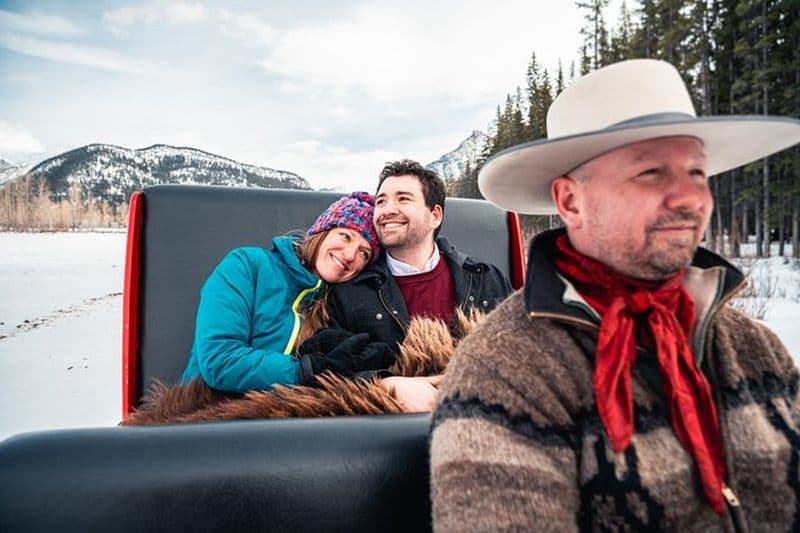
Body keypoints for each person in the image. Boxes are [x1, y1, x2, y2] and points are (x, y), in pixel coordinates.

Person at [430, 59, 800, 531]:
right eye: (651, 173)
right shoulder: (506, 370)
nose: (691, 198)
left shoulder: (756, 349)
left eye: (697, 173)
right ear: (569, 201)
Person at [320, 160, 513, 412]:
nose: (388, 209)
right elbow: (328, 370)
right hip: (391, 431)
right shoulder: (350, 292)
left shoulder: (485, 279)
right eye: (381, 201)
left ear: (434, 215)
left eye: (403, 199)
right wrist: (385, 385)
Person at [180, 191, 394, 394]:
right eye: (345, 236)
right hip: (203, 415)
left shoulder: (340, 304)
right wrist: (308, 371)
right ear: (322, 231)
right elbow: (219, 360)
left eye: (364, 253)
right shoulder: (248, 265)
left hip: (284, 423)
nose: (349, 255)